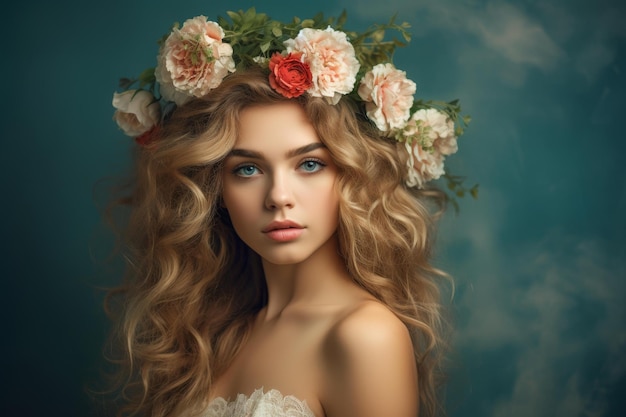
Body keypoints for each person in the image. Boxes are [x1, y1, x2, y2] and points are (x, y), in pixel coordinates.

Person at [105, 8, 468, 417]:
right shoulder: (214, 333)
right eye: (247, 169)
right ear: (217, 191)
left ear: (350, 178)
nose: (278, 196)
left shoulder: (364, 336)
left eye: (310, 164)